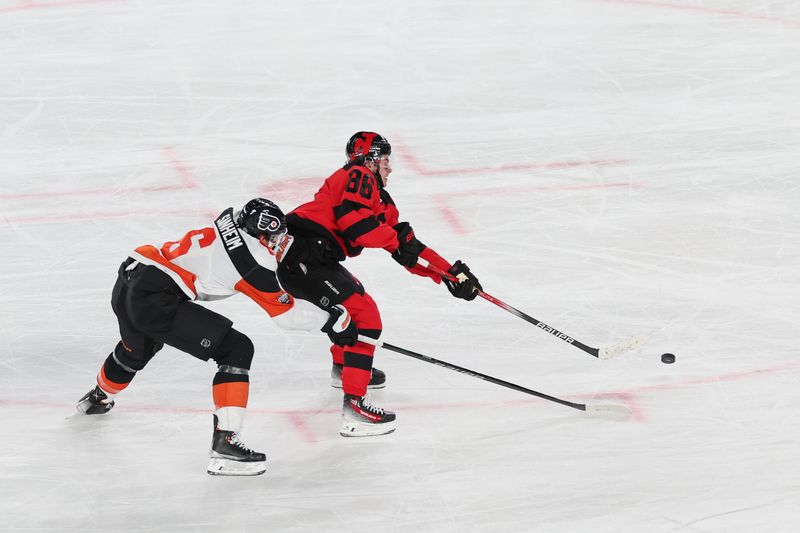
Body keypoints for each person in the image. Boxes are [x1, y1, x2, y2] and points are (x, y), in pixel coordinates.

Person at [75, 198, 356, 476]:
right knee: (237, 349)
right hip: (153, 297)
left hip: (131, 273)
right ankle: (226, 443)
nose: (276, 242)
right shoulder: (254, 263)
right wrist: (333, 318)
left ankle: (98, 397)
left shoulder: (232, 217)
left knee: (135, 351)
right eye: (272, 237)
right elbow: (289, 317)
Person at [275, 132, 482, 438]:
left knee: (353, 309)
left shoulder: (379, 198)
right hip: (304, 257)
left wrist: (450, 274)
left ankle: (345, 368)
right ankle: (354, 409)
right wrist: (396, 240)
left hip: (314, 259)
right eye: (385, 161)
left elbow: (405, 248)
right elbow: (356, 226)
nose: (390, 168)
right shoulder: (358, 175)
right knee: (365, 316)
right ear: (370, 159)